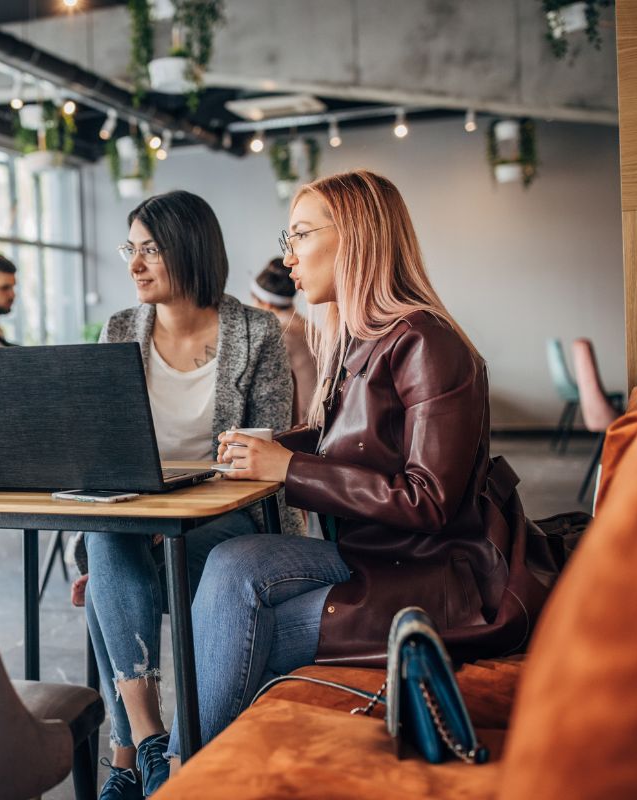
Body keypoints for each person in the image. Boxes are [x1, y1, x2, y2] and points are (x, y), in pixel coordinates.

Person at [163, 170, 553, 770]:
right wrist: (269, 447)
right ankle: (184, 763)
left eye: (299, 235)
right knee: (209, 559)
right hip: (379, 555)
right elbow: (358, 442)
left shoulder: (426, 342)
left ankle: (178, 773)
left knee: (234, 607)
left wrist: (290, 467)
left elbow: (430, 501)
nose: (287, 256)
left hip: (433, 575)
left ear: (356, 237)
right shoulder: (360, 341)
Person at [81, 190, 299, 800]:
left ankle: (124, 762)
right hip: (138, 519)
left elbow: (264, 464)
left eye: (151, 249)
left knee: (108, 575)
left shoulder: (258, 334)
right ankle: (156, 746)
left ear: (191, 249)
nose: (135, 263)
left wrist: (177, 510)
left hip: (231, 520)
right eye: (132, 248)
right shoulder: (121, 330)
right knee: (105, 539)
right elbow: (102, 454)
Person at [250, 258, 317, 425]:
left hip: (300, 424)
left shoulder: (277, 332)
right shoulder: (309, 326)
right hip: (322, 417)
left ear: (265, 303)